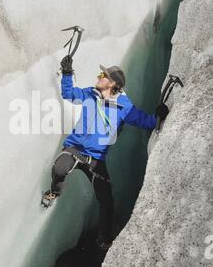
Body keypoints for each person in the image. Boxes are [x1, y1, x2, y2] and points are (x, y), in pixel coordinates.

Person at [41, 54, 169, 250]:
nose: (99, 76)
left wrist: (158, 116)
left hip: (96, 159)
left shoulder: (124, 107)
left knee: (106, 201)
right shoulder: (89, 93)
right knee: (59, 169)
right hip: (74, 148)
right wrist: (67, 73)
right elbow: (69, 94)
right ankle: (55, 192)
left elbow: (145, 121)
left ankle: (104, 240)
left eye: (103, 75)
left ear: (113, 84)